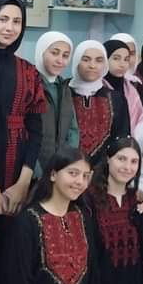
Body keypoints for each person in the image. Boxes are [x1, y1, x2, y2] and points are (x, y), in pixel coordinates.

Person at [0, 0, 45, 221]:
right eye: (3, 19)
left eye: (17, 21)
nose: (10, 28)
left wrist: (23, 183)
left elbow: (36, 130)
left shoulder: (28, 71)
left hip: (17, 172)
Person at [5, 149, 101, 284]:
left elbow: (93, 273)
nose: (80, 181)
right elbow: (20, 281)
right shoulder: (28, 221)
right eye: (73, 173)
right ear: (53, 175)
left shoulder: (83, 217)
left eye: (85, 176)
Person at [86, 137, 143, 284]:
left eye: (134, 161)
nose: (127, 167)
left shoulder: (137, 200)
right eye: (121, 159)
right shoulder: (90, 199)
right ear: (108, 159)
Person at [34, 31, 79, 176]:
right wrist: (34, 170)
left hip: (59, 169)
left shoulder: (64, 88)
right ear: (41, 52)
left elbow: (72, 130)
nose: (60, 60)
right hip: (31, 168)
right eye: (54, 53)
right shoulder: (29, 84)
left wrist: (66, 163)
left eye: (65, 56)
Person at [70, 41, 123, 160]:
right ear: (76, 61)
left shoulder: (115, 97)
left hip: (104, 166)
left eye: (99, 60)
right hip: (65, 164)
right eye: (86, 59)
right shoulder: (64, 92)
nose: (92, 65)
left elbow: (121, 136)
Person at [105, 38, 143, 132]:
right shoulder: (96, 89)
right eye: (116, 58)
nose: (122, 64)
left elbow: (140, 123)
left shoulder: (132, 90)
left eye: (126, 59)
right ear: (105, 59)